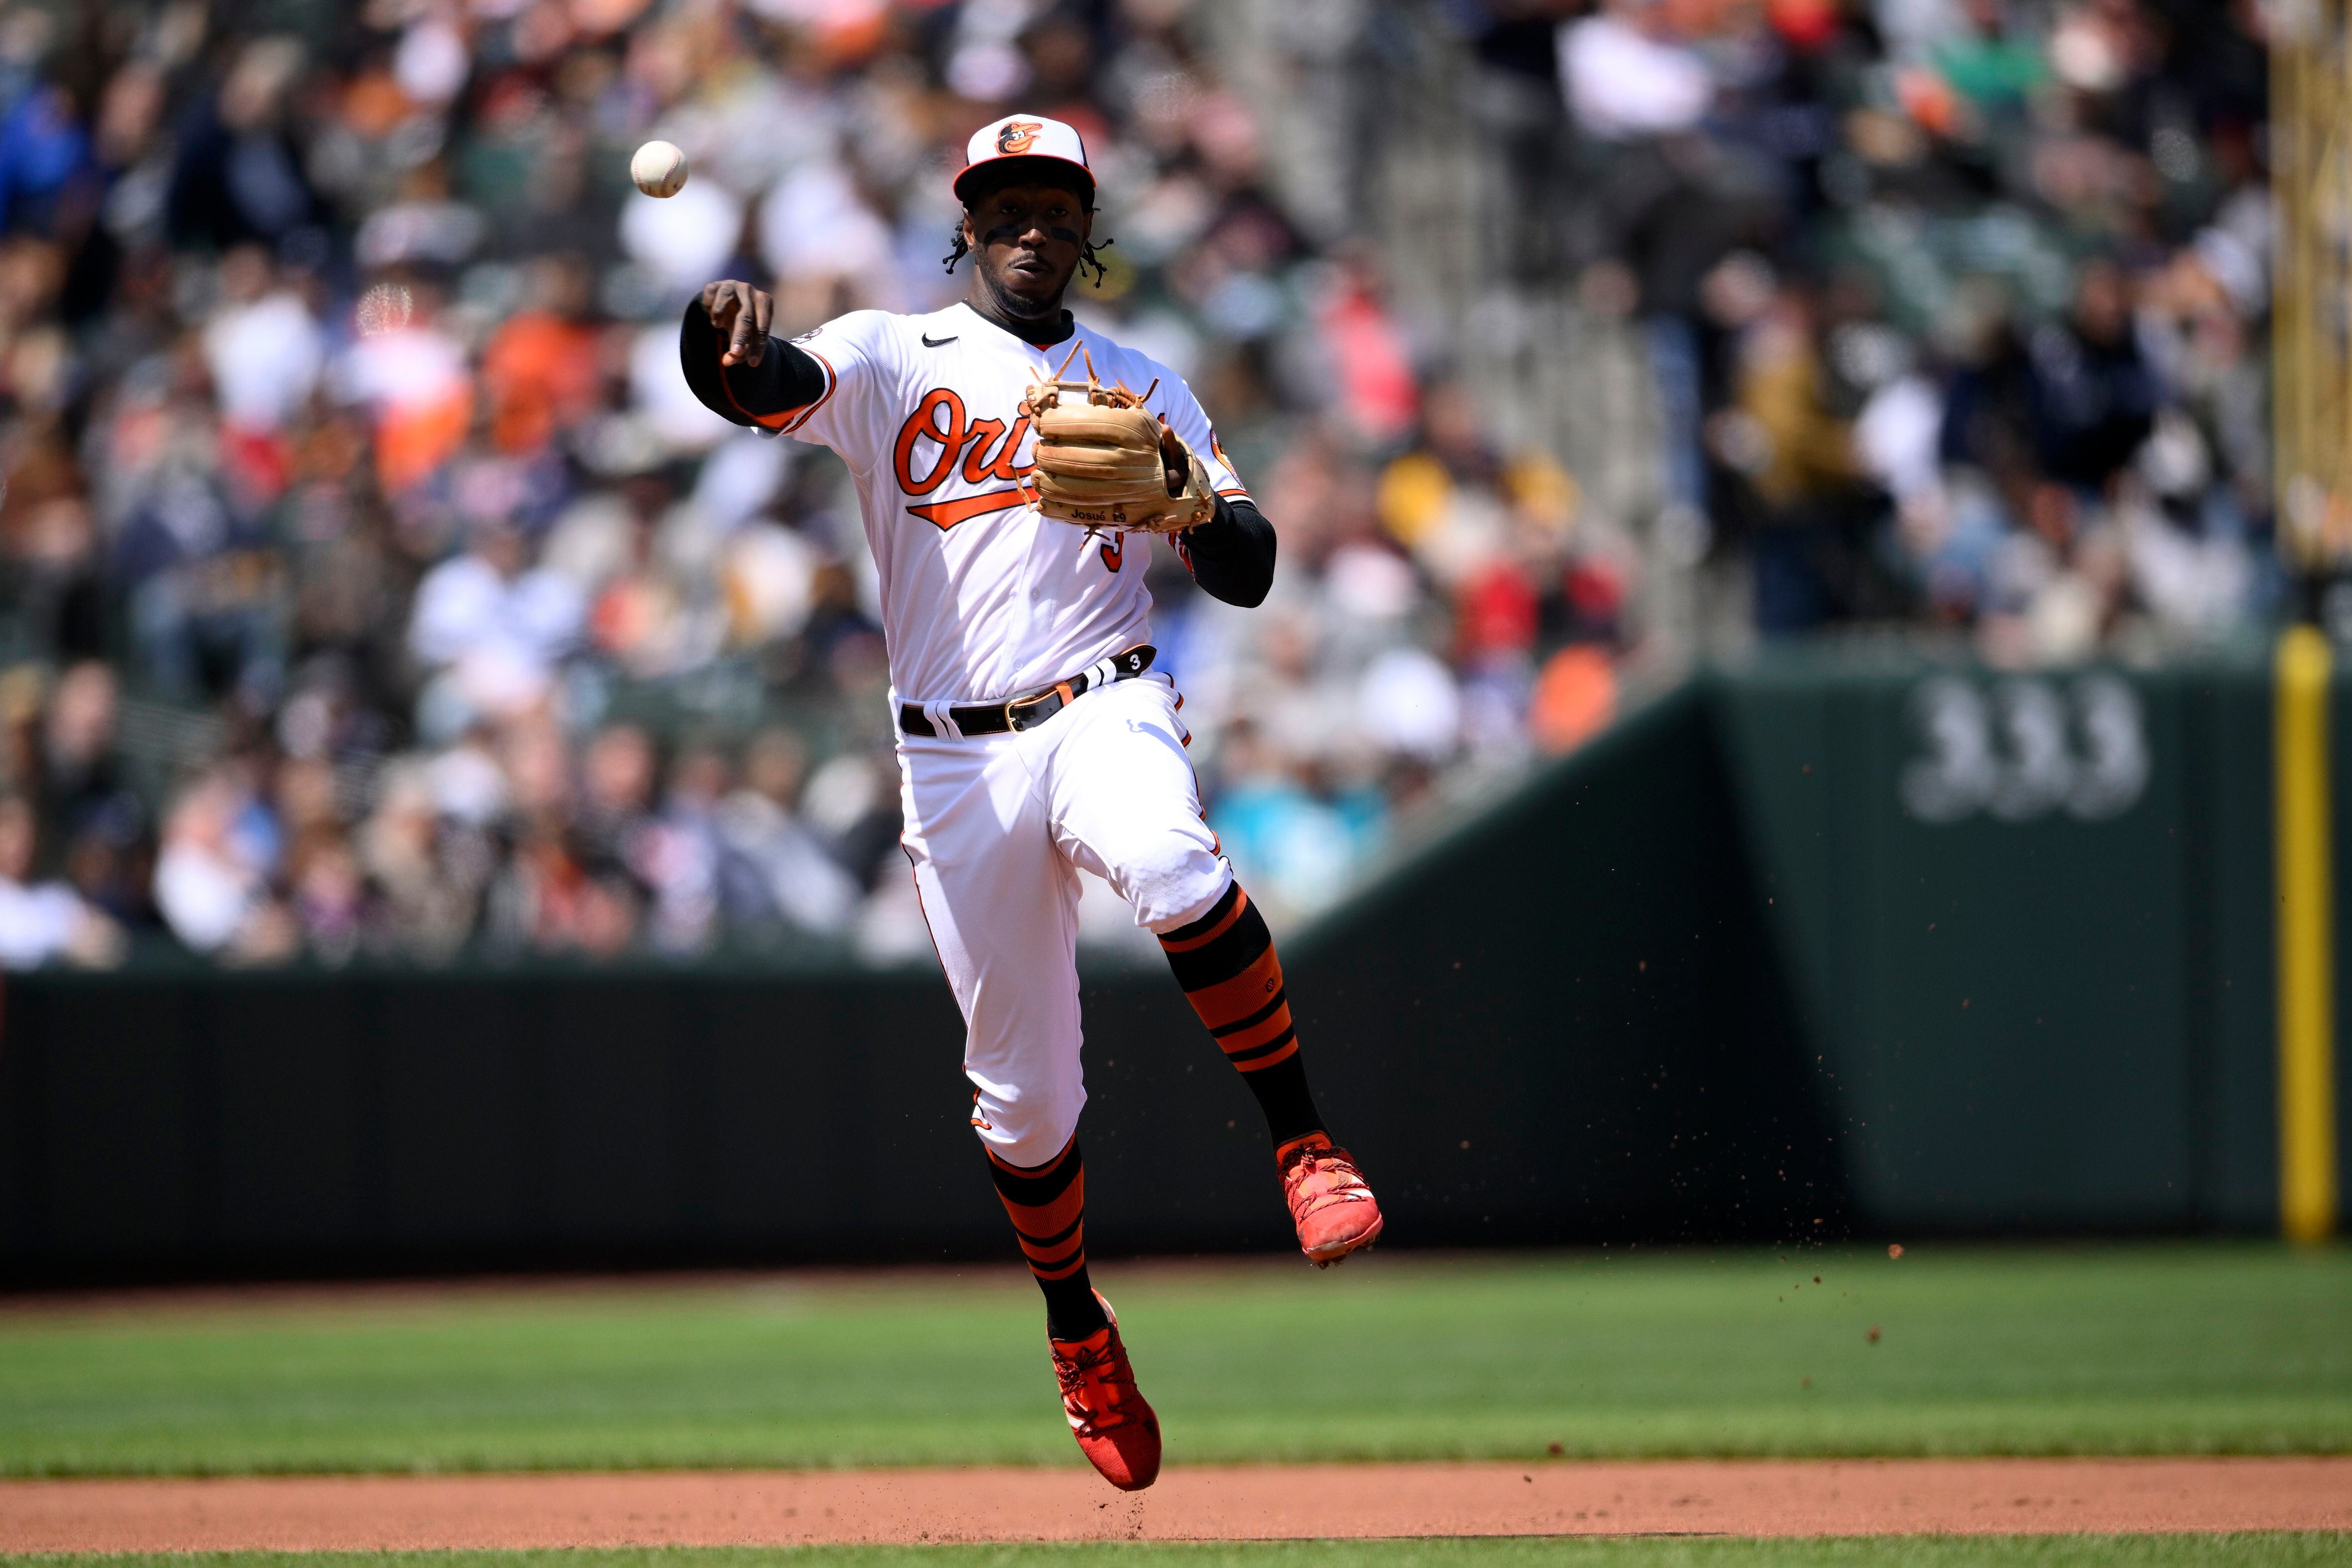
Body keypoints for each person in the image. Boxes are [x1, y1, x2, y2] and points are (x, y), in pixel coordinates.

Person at [679, 115, 1383, 1491]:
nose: (1031, 220)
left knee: (1175, 865)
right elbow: (766, 383)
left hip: (1103, 695)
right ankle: (1076, 1324)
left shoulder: (1140, 381)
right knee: (1024, 1103)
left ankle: (1303, 1140)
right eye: (1006, 199)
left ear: (1085, 226)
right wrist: (716, 351)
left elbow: (1248, 570)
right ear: (970, 220)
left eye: (1056, 200)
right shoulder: (895, 353)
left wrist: (1185, 498)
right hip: (950, 758)